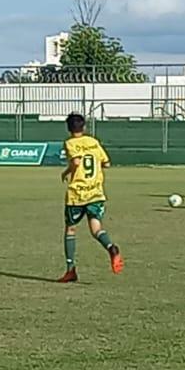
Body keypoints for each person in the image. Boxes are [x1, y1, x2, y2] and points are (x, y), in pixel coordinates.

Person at [59, 113, 123, 283]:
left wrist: (66, 172)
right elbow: (106, 163)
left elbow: (77, 162)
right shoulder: (93, 142)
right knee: (96, 228)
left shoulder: (70, 143)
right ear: (84, 127)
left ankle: (70, 270)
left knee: (71, 229)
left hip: (77, 194)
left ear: (68, 128)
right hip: (96, 191)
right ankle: (110, 247)